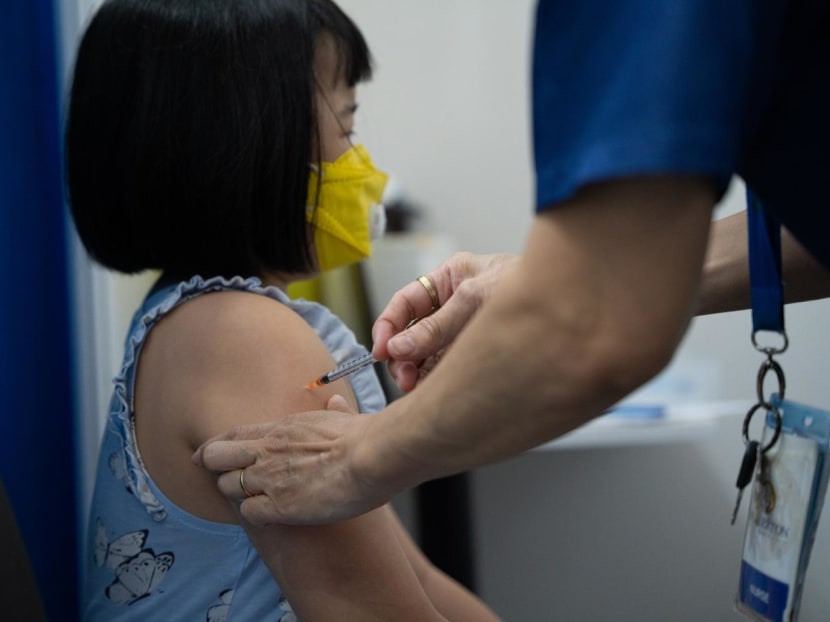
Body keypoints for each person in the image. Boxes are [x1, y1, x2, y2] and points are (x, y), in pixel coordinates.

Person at [194, 0, 830, 526]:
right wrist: (542, 284)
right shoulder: (258, 341)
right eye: (346, 128)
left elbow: (596, 322)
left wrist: (361, 460)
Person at [66, 1, 502, 620]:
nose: (363, 166)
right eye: (346, 128)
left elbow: (418, 582)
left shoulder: (185, 313)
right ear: (247, 145)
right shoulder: (242, 336)